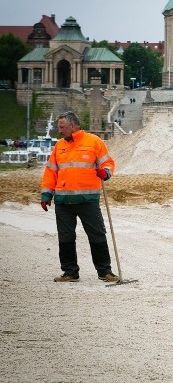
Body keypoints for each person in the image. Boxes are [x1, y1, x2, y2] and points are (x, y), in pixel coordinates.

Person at [40, 111, 119, 283]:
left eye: (62, 127)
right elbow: (51, 171)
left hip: (88, 200)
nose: (59, 130)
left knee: (97, 235)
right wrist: (46, 194)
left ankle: (105, 271)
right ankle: (70, 272)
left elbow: (108, 163)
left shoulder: (94, 142)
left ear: (73, 126)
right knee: (66, 237)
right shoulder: (59, 146)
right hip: (62, 202)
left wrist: (105, 172)